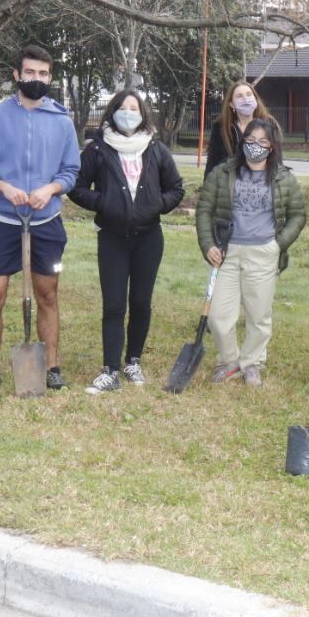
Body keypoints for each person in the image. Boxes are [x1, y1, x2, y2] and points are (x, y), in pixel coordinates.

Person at [0, 45, 81, 392]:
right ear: (17, 75)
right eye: (30, 72)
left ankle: (52, 366)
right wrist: (1, 186)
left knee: (47, 294)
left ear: (50, 77)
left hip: (46, 222)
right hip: (2, 220)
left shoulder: (61, 122)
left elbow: (72, 170)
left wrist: (52, 189)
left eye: (43, 73)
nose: (36, 79)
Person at [70, 90, 185, 393]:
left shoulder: (156, 150)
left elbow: (176, 188)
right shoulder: (97, 149)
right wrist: (104, 202)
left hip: (149, 238)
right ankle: (110, 369)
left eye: (134, 108)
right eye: (122, 107)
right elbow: (77, 187)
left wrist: (155, 205)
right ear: (112, 112)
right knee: (114, 305)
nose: (128, 112)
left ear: (143, 114)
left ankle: (133, 360)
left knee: (141, 302)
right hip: (112, 238)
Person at [196, 118, 305, 386]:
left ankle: (252, 362)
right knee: (219, 316)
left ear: (272, 146)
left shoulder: (283, 177)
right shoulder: (223, 173)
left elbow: (298, 215)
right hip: (226, 253)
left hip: (263, 254)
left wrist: (277, 245)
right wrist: (208, 244)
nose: (256, 146)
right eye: (251, 140)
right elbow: (204, 210)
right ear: (243, 141)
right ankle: (230, 360)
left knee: (258, 315)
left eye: (263, 141)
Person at [206, 81, 272, 178]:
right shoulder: (220, 127)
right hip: (229, 187)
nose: (246, 99)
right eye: (239, 96)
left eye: (249, 94)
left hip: (261, 186)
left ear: (255, 99)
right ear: (231, 104)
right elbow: (212, 162)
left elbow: (276, 162)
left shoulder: (269, 124)